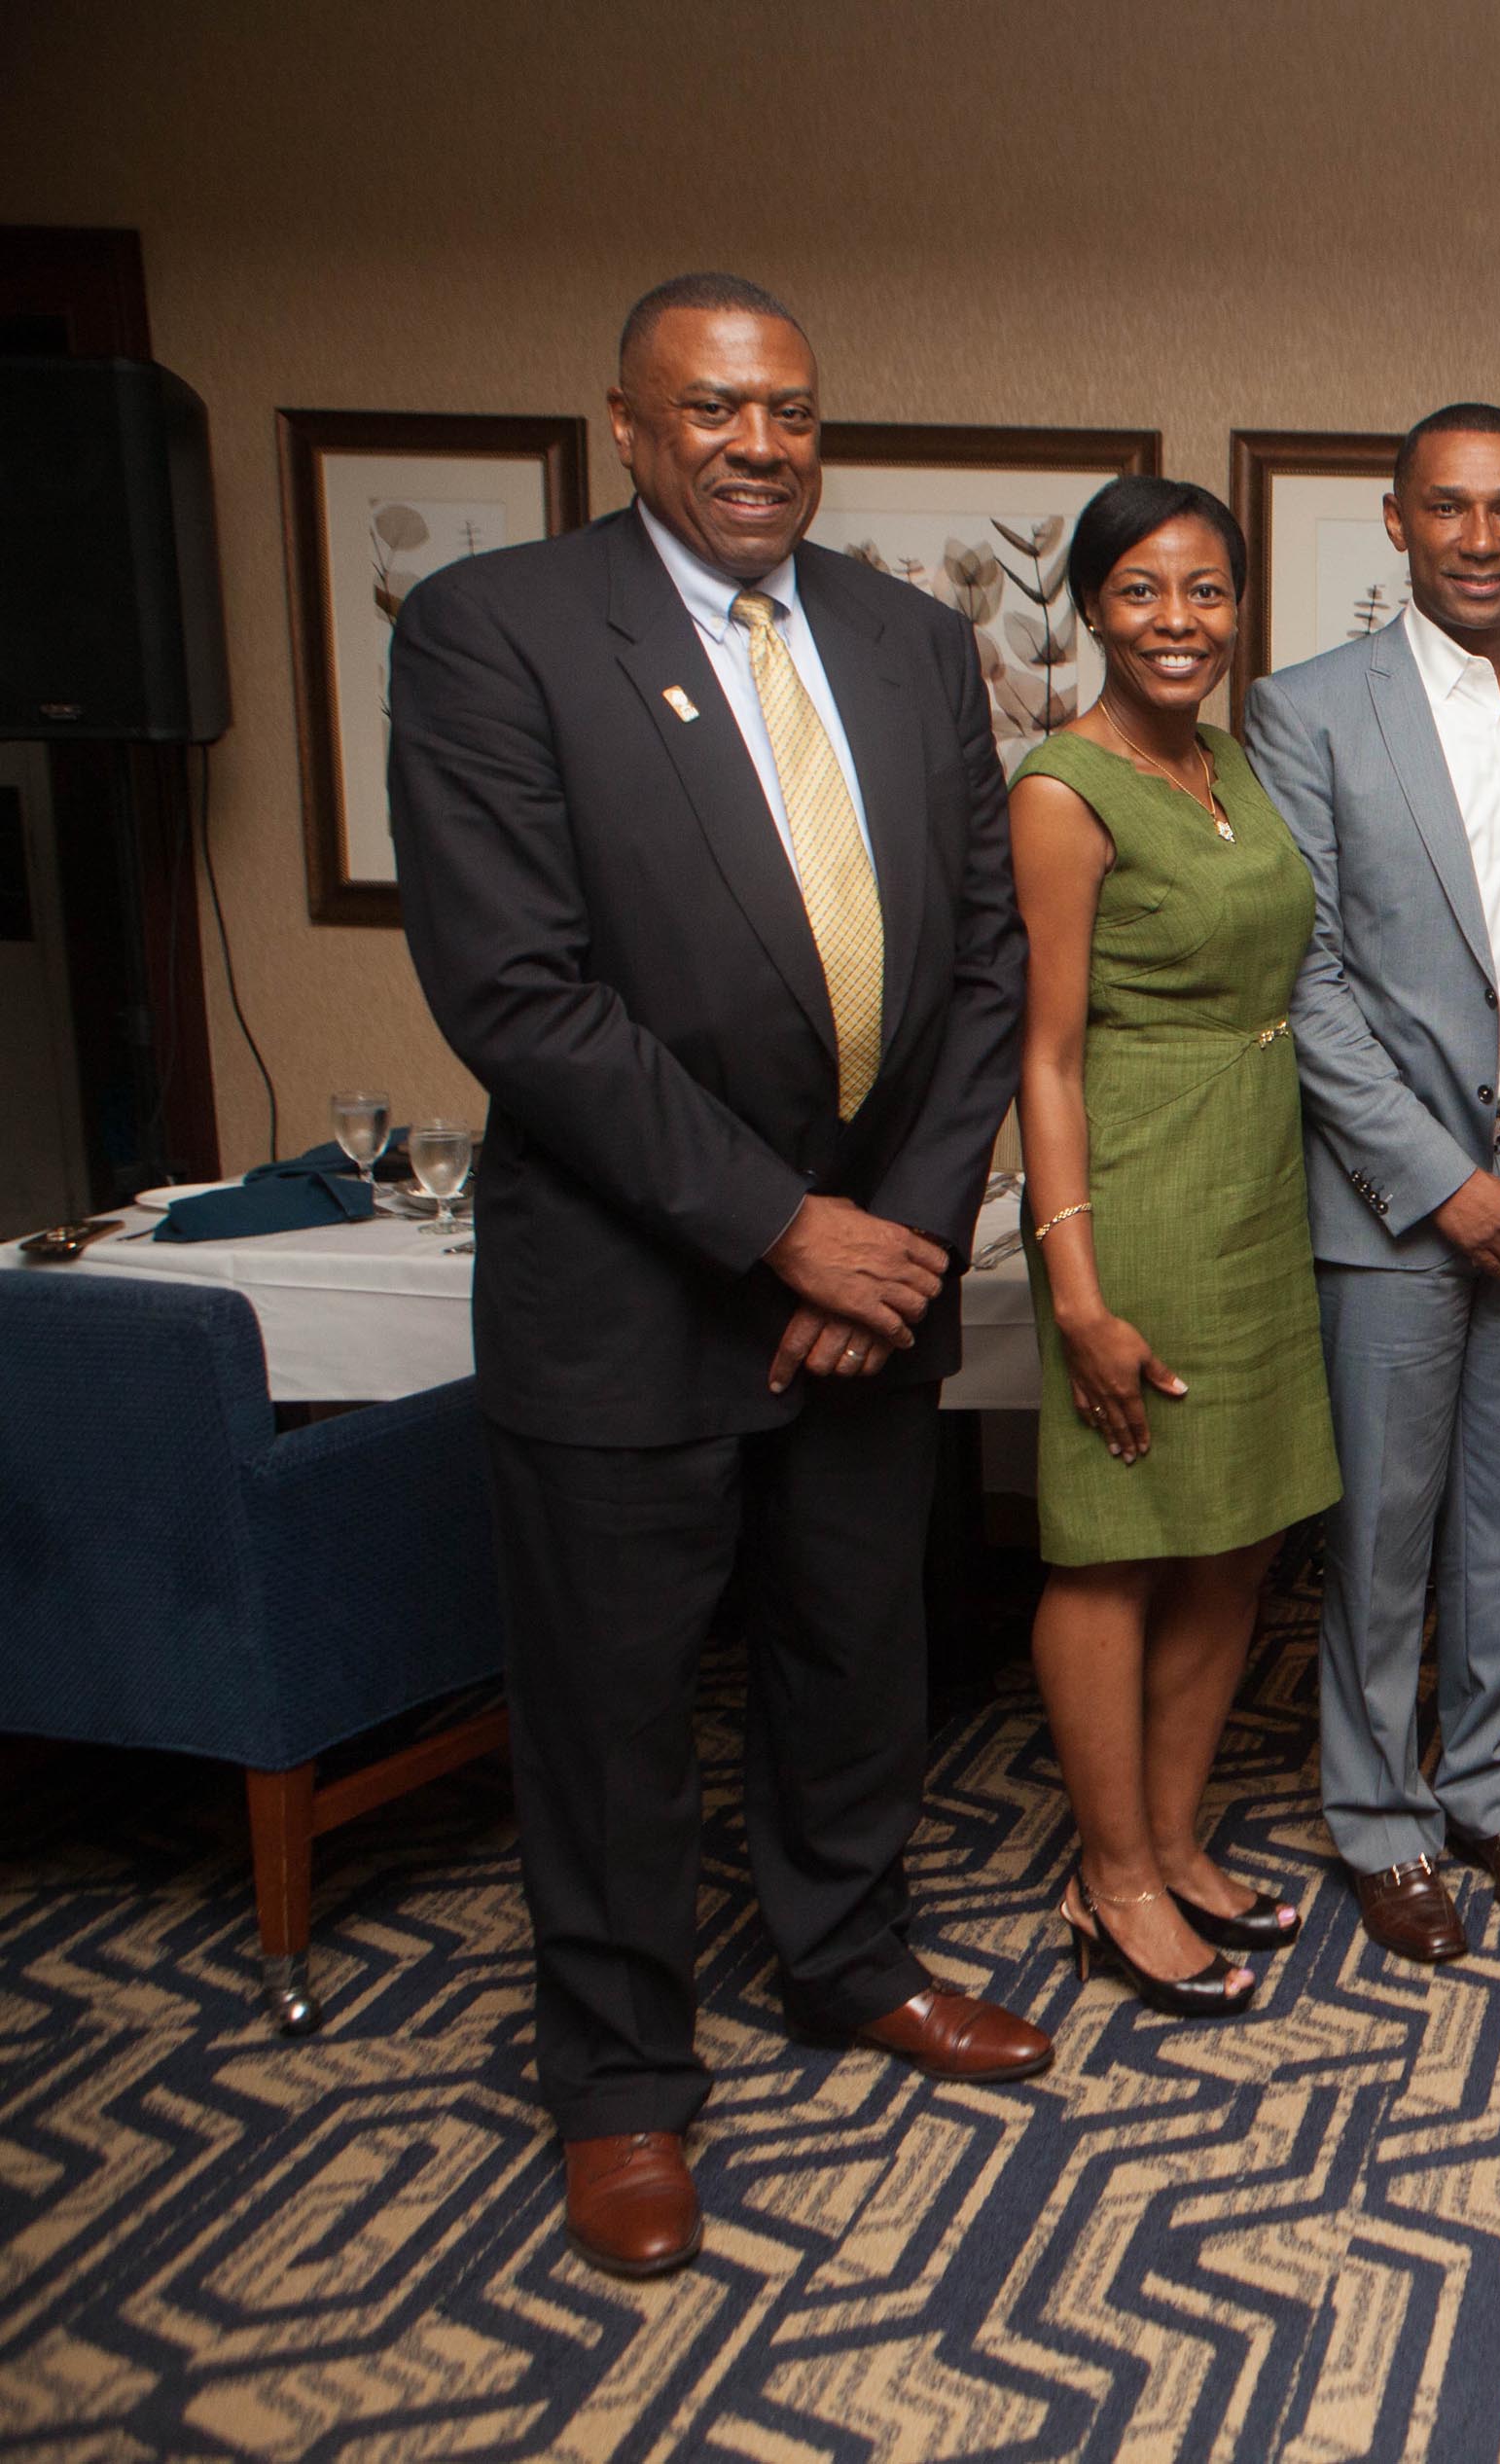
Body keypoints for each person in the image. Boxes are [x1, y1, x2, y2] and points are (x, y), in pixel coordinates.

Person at [390, 273, 1046, 2280]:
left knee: (860, 1660)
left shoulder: (912, 640)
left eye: (790, 411)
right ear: (626, 424)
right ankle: (616, 2083)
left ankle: (848, 1959)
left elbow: (980, 968)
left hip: (874, 1284)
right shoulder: (494, 635)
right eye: (714, 410)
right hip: (627, 1288)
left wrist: (895, 1245)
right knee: (608, 1706)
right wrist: (784, 1227)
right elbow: (519, 995)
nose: (759, 444)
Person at [1245, 404, 1500, 1963]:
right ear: (1397, 522)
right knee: (1387, 1526)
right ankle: (1379, 1817)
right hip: (1394, 1192)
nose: (1479, 538)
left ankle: (1491, 1786)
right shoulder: (1309, 711)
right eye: (1446, 509)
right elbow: (1314, 979)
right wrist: (1440, 1181)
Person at [1009, 476, 1337, 2018]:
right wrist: (1077, 1289)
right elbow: (1048, 1058)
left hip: (1257, 1181)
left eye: (1205, 591)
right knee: (1116, 1539)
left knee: (1238, 1529)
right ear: (1090, 607)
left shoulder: (1229, 760)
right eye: (1142, 590)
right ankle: (1113, 1874)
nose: (1178, 621)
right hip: (1135, 1184)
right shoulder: (1063, 790)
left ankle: (1176, 1836)